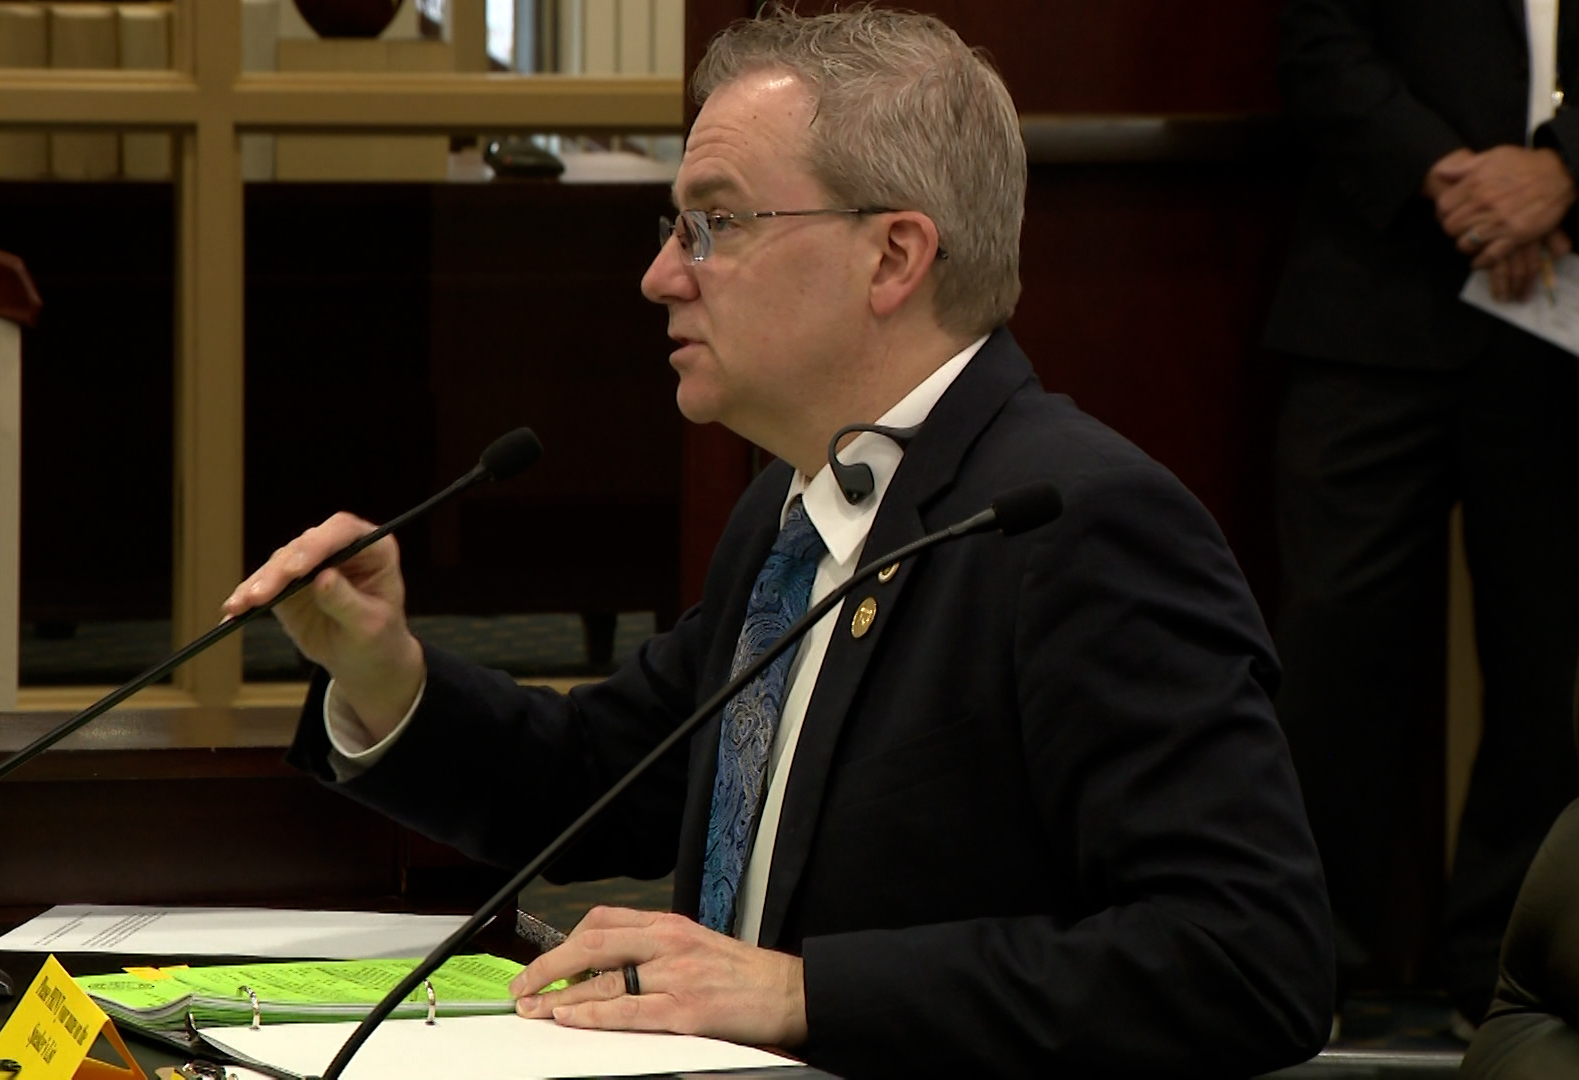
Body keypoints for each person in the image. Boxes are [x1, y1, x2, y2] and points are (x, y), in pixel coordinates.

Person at [227, 9, 1333, 1076]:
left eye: (714, 223)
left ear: (893, 256)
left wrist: (801, 993)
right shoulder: (790, 513)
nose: (663, 273)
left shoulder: (1079, 524)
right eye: (672, 226)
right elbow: (601, 779)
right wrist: (383, 673)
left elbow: (1246, 961)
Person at [1268, 0, 1579, 1025]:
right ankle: (1312, 966)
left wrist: (1562, 170)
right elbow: (1320, 41)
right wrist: (1451, 176)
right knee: (1333, 650)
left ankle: (1505, 969)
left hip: (1563, 319)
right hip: (1372, 287)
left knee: (1551, 668)